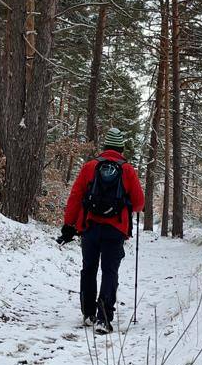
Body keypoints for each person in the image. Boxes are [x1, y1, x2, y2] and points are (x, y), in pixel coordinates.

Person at [57, 128, 145, 334]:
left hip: (90, 227)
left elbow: (75, 197)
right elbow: (139, 203)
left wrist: (69, 224)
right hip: (115, 229)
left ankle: (88, 313)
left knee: (89, 269)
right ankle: (103, 319)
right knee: (109, 270)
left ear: (105, 146)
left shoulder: (89, 167)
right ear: (121, 148)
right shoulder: (128, 170)